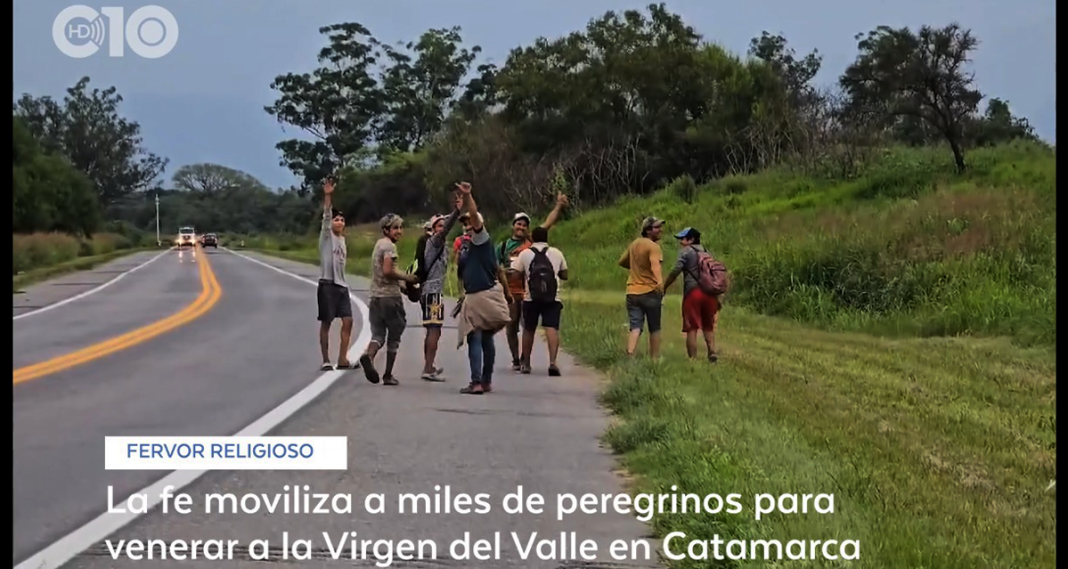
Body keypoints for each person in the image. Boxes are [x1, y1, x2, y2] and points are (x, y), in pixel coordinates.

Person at [497, 194, 569, 371]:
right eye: (518, 224)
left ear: (528, 229)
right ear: (513, 226)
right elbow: (496, 267)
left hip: (529, 292)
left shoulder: (531, 243)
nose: (521, 227)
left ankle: (524, 359)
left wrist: (559, 206)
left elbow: (548, 223)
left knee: (527, 326)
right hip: (512, 292)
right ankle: (516, 358)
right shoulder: (503, 246)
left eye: (524, 225)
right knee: (512, 325)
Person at [455, 182, 512, 395]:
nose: (467, 226)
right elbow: (494, 269)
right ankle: (485, 381)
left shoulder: (482, 240)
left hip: (482, 295)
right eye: (464, 224)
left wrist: (469, 196)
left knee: (476, 338)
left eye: (470, 223)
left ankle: (477, 381)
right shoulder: (467, 247)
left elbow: (475, 218)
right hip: (476, 295)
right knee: (485, 338)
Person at [359, 213, 420, 385]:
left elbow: (383, 273)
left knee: (378, 334)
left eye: (401, 227)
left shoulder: (379, 244)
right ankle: (388, 375)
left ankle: (369, 356)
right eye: (395, 228)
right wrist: (408, 278)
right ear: (386, 229)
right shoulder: (389, 248)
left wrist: (402, 286)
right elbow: (388, 271)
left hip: (375, 297)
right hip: (390, 298)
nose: (399, 231)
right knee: (395, 336)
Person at [418, 195, 465, 381]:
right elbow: (446, 229)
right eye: (438, 225)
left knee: (432, 329)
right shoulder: (434, 242)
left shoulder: (440, 246)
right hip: (432, 293)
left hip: (430, 292)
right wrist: (457, 212)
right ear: (432, 230)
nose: (442, 228)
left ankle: (429, 365)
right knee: (435, 330)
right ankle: (428, 369)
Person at [511, 226, 567, 376]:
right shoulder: (557, 253)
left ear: (533, 239)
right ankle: (553, 363)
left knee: (529, 329)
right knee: (551, 328)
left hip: (531, 298)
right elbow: (565, 274)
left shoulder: (525, 254)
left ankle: (526, 363)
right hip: (552, 298)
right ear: (547, 238)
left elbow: (515, 275)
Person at [663, 227, 720, 362]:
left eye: (683, 239)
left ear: (691, 240)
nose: (681, 242)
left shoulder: (686, 252)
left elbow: (676, 270)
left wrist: (665, 286)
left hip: (693, 293)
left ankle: (693, 359)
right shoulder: (707, 252)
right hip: (709, 294)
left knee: (691, 327)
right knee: (708, 325)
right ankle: (711, 351)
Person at [316, 176, 354, 370]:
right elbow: (327, 216)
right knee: (327, 322)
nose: (339, 222)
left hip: (341, 284)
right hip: (327, 284)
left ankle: (342, 358)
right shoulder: (326, 236)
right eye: (336, 220)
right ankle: (325, 359)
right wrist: (328, 196)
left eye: (342, 220)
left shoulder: (342, 240)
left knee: (348, 320)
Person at [618, 216, 665, 360]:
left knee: (635, 326)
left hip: (632, 292)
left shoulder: (634, 244)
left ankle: (630, 354)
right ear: (648, 230)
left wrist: (635, 268)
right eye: (657, 228)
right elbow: (655, 265)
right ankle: (654, 358)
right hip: (650, 291)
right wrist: (660, 284)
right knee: (654, 328)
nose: (660, 230)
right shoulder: (653, 247)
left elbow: (622, 261)